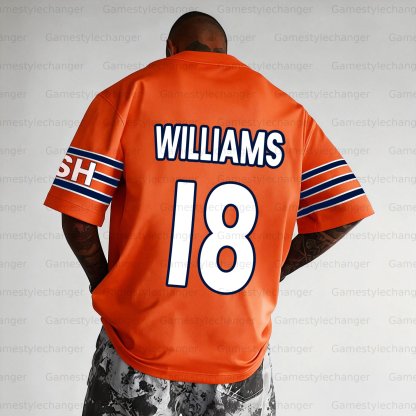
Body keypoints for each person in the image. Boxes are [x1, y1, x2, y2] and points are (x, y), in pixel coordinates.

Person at [43, 10, 375, 416]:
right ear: (225, 53)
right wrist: (275, 271)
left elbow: (78, 216)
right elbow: (344, 209)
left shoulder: (125, 97)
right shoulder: (288, 114)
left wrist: (103, 284)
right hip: (238, 353)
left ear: (171, 50)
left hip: (138, 344)